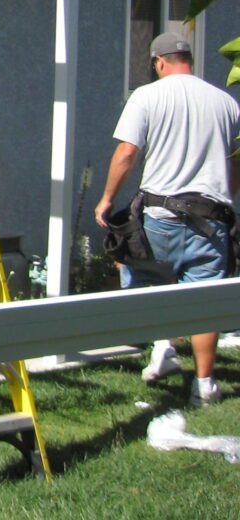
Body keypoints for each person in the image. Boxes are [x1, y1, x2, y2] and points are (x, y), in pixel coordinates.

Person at [95, 31, 240, 407]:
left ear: (159, 62)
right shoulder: (226, 103)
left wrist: (107, 199)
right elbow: (235, 161)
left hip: (161, 215)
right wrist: (226, 195)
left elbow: (127, 152)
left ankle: (163, 350)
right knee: (205, 300)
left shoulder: (147, 96)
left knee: (151, 285)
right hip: (211, 218)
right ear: (188, 59)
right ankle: (204, 385)